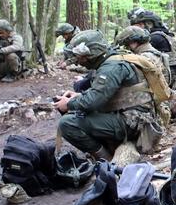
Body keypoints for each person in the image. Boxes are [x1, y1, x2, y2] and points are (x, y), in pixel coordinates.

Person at [54, 30, 163, 160]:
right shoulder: (113, 60)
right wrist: (77, 96)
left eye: (81, 56)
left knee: (67, 123)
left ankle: (105, 159)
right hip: (133, 116)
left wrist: (69, 104)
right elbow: (108, 93)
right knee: (77, 113)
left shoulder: (111, 67)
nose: (78, 61)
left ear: (93, 52)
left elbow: (93, 102)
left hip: (133, 122)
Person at [115, 25, 176, 125]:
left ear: (134, 43)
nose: (126, 48)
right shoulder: (155, 53)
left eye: (127, 44)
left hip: (153, 110)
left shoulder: (143, 58)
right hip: (159, 103)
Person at [127, 8, 176, 92]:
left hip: (168, 85)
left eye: (138, 25)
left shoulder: (154, 38)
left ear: (148, 24)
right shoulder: (167, 35)